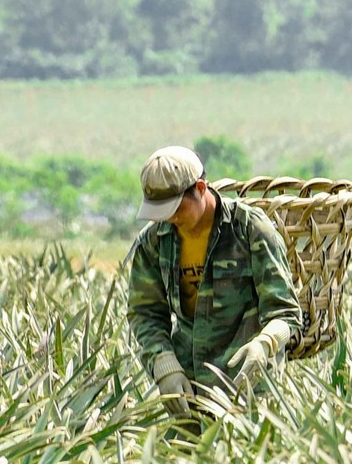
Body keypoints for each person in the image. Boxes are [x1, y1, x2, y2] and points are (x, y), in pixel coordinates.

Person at [126, 145, 303, 421]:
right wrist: (163, 363)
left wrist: (266, 344)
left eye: (175, 208)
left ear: (199, 188)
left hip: (249, 389)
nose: (170, 218)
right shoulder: (154, 242)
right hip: (188, 388)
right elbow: (145, 314)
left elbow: (286, 313)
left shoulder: (250, 229)